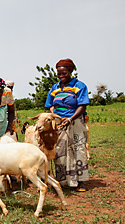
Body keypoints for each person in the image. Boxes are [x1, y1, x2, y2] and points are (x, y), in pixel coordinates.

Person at [45, 58, 90, 192]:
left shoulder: (80, 86)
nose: (61, 76)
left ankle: (80, 181)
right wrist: (55, 115)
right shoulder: (55, 87)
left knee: (78, 149)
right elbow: (50, 105)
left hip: (75, 121)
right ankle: (63, 180)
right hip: (59, 123)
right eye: (59, 74)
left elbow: (82, 106)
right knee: (60, 150)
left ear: (70, 71)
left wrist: (70, 119)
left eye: (64, 73)